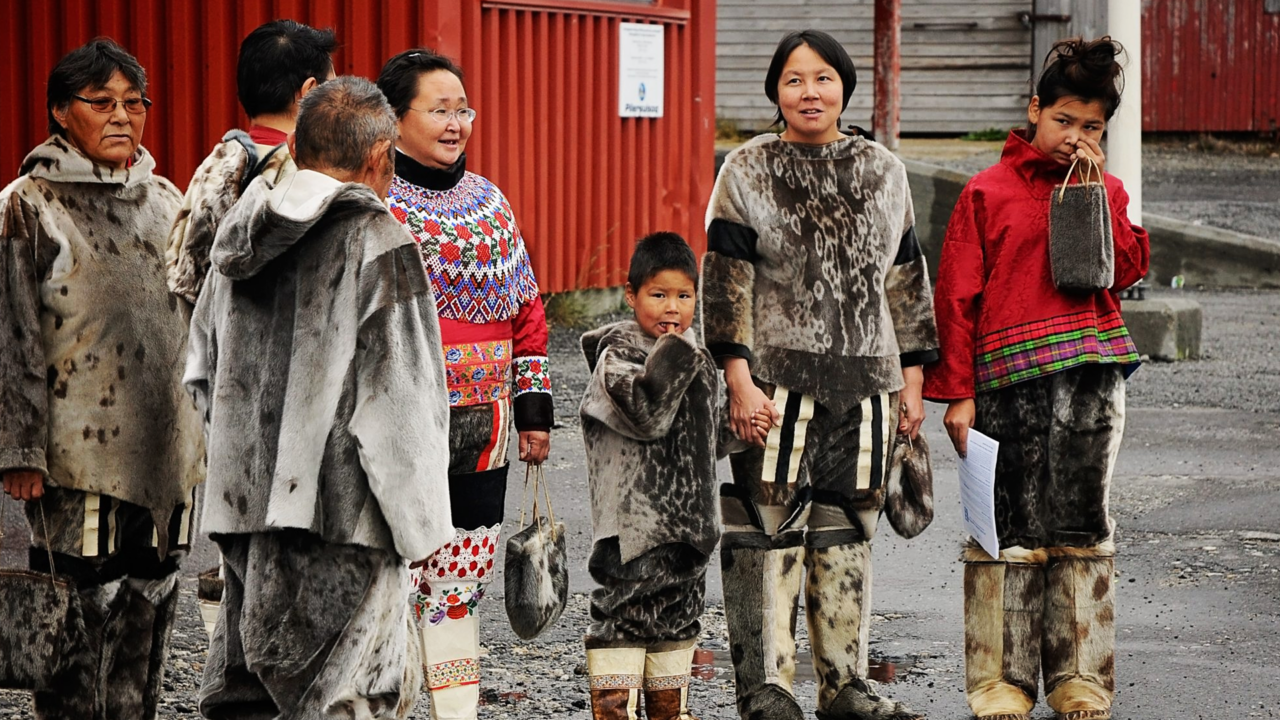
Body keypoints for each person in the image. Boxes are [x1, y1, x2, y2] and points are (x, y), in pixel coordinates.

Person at [187, 76, 453, 720]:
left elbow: (199, 370)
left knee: (248, 694)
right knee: (346, 698)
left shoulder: (241, 240)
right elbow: (402, 405)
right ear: (378, 157)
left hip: (246, 519)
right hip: (343, 524)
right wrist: (422, 525)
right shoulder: (377, 241)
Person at [702, 30, 938, 720]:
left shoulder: (883, 170)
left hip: (868, 383)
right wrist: (737, 378)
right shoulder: (746, 170)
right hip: (773, 383)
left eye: (824, 78)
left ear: (845, 87)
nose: (811, 92)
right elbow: (725, 283)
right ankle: (766, 689)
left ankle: (844, 685)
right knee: (765, 526)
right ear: (776, 91)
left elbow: (907, 281)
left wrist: (913, 385)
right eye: (795, 79)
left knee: (849, 531)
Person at [924, 36, 1150, 720]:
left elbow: (1131, 268)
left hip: (1090, 383)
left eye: (1091, 127)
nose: (1075, 137)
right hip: (1004, 388)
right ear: (1034, 110)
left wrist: (1102, 196)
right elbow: (956, 295)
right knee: (1006, 531)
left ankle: (1081, 678)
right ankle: (1002, 682)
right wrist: (958, 393)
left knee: (1083, 528)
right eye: (1064, 121)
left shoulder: (1104, 189)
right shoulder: (986, 192)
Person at [0, 38, 204, 719]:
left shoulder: (166, 199)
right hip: (75, 459)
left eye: (133, 103)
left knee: (149, 609)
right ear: (61, 112)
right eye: (101, 102)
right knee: (77, 620)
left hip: (164, 453)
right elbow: (14, 338)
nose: (122, 116)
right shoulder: (28, 205)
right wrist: (20, 451)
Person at [376, 48, 553, 720]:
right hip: (399, 428)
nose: (456, 123)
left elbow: (528, 313)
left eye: (462, 109)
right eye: (439, 109)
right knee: (394, 580)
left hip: (484, 429)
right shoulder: (375, 202)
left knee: (458, 585)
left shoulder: (491, 203)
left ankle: (457, 714)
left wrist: (533, 412)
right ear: (394, 120)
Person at [578, 233, 721, 720]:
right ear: (630, 293)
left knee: (677, 620)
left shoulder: (695, 357)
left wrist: (749, 423)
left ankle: (669, 711)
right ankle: (614, 711)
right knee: (624, 616)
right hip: (634, 531)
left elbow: (709, 439)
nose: (672, 308)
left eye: (684, 296)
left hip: (689, 529)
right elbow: (646, 413)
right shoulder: (616, 357)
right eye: (658, 294)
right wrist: (683, 354)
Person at [166, 19, 337, 305]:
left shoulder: (213, 167)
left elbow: (184, 280)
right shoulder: (309, 177)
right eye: (332, 90)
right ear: (309, 92)